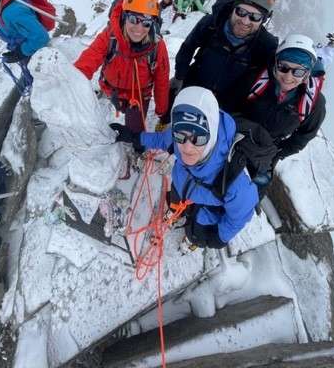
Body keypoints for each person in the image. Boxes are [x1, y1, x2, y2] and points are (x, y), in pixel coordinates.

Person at [111, 86, 260, 250]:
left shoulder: (235, 182)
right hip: (183, 183)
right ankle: (176, 212)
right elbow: (163, 140)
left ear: (211, 136)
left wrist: (220, 237)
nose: (187, 148)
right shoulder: (180, 136)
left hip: (208, 206)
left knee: (196, 234)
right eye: (180, 136)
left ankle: (191, 239)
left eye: (198, 138)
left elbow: (240, 215)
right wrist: (134, 137)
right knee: (173, 199)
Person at [224, 34, 327, 196]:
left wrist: (277, 154)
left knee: (253, 194)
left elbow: (304, 136)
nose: (288, 77)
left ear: (307, 74)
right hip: (235, 136)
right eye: (283, 68)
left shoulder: (314, 104)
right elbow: (228, 105)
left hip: (267, 152)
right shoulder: (256, 81)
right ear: (276, 64)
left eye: (298, 72)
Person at [74, 0, 170, 133]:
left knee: (134, 131)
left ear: (153, 25)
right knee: (121, 109)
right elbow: (87, 61)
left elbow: (161, 79)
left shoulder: (157, 47)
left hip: (138, 96)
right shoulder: (110, 37)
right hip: (112, 91)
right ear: (124, 17)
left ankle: (136, 147)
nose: (139, 28)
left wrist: (162, 111)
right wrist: (70, 86)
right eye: (133, 19)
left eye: (146, 23)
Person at [170, 0, 278, 109]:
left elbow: (281, 73)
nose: (245, 21)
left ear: (263, 21)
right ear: (233, 8)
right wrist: (179, 76)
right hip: (195, 83)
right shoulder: (211, 24)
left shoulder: (265, 44)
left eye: (255, 17)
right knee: (172, 98)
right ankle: (165, 121)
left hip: (226, 101)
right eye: (241, 11)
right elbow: (188, 47)